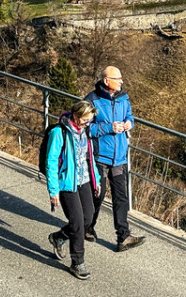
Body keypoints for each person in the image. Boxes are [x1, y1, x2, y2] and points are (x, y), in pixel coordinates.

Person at [85, 66, 146, 252]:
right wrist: (108, 128)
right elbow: (85, 127)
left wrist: (129, 124)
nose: (121, 81)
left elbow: (130, 116)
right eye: (117, 78)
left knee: (121, 197)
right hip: (99, 157)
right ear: (106, 81)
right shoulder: (91, 100)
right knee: (98, 195)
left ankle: (123, 236)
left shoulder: (123, 98)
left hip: (119, 157)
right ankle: (87, 227)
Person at [45, 100, 100, 280]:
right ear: (76, 116)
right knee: (77, 223)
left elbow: (89, 157)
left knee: (88, 219)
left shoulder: (85, 131)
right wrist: (53, 190)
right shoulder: (59, 132)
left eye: (90, 120)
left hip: (84, 180)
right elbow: (51, 162)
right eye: (85, 120)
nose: (87, 124)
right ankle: (77, 262)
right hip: (67, 183)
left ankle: (59, 237)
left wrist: (96, 179)